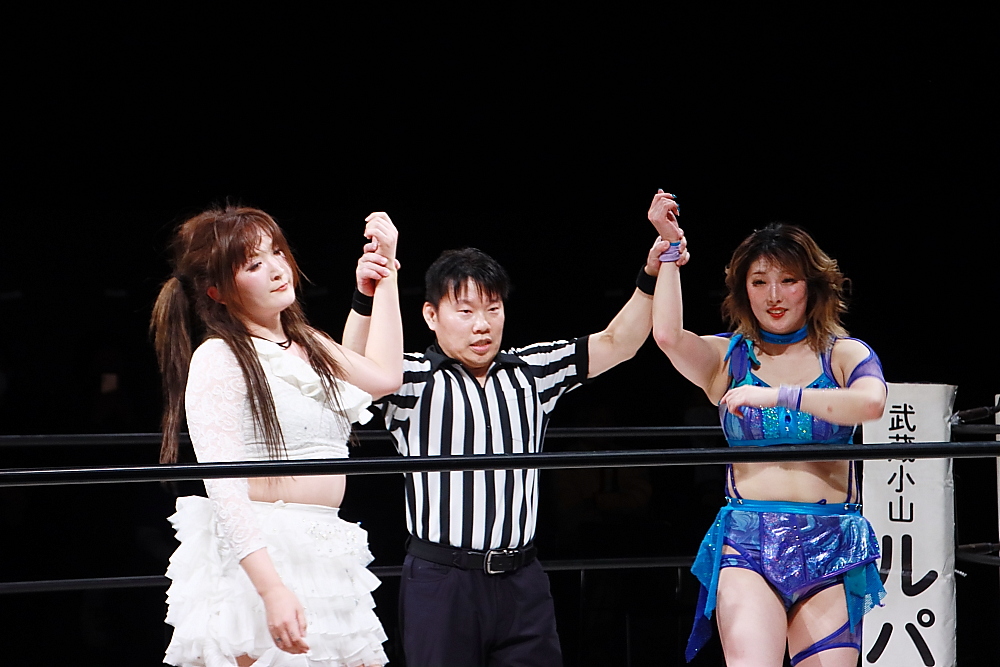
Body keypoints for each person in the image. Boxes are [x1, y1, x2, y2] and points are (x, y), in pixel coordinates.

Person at [341, 206, 688, 667]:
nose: (482, 325)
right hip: (441, 579)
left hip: (522, 578)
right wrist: (366, 296)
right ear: (431, 315)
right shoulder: (408, 377)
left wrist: (650, 275)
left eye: (492, 309)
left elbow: (616, 343)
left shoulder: (531, 371)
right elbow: (349, 375)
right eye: (465, 311)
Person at [151, 205, 403, 667]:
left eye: (276, 252)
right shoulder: (220, 358)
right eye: (253, 264)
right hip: (265, 551)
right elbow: (224, 487)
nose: (276, 268)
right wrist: (270, 589)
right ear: (218, 291)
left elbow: (384, 377)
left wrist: (384, 278)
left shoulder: (307, 342)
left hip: (327, 547)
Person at [646, 190, 888, 667]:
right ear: (743, 291)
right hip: (749, 541)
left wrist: (780, 395)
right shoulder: (729, 358)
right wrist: (670, 251)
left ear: (811, 286)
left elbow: (872, 403)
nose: (773, 296)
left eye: (788, 280)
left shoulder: (843, 353)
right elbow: (668, 336)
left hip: (831, 539)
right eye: (759, 282)